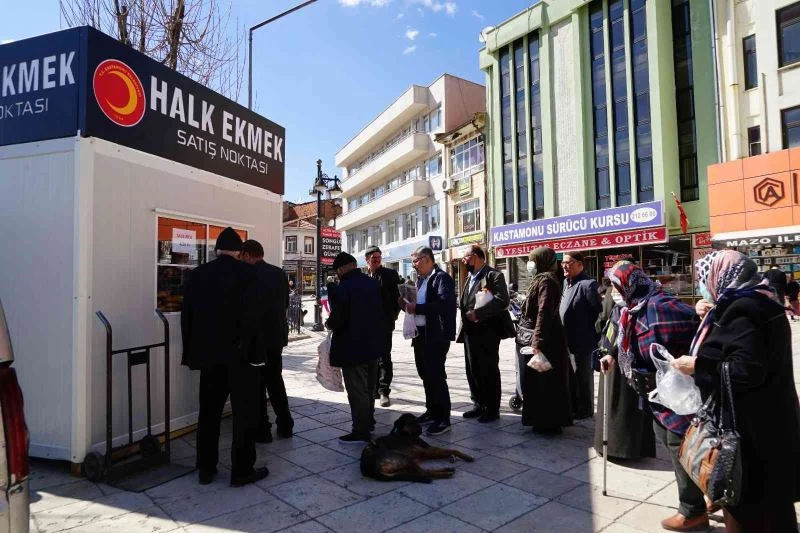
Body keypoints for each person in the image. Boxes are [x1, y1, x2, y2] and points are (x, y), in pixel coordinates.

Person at [672, 250, 800, 532]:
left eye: (705, 278)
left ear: (723, 276)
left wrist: (698, 365)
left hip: (752, 432)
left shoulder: (745, 309)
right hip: (770, 422)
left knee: (751, 511)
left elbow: (745, 370)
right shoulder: (761, 300)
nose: (702, 285)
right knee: (774, 510)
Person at [598, 261, 708, 531]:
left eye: (615, 286)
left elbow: (693, 323)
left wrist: (698, 312)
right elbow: (622, 336)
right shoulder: (631, 307)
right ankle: (705, 495)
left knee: (679, 444)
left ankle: (693, 510)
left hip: (675, 390)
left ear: (628, 284)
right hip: (654, 391)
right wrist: (612, 354)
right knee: (673, 442)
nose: (612, 291)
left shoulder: (659, 305)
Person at [180, 227, 268, 486]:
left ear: (215, 251)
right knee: (244, 416)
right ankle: (241, 470)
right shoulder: (249, 274)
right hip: (242, 360)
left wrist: (192, 354)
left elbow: (189, 319)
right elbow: (256, 319)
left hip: (210, 359)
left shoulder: (197, 275)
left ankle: (206, 469)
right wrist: (257, 354)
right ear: (240, 252)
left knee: (208, 414)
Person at [325, 252, 386, 444]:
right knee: (369, 388)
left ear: (342, 269)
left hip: (353, 347)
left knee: (357, 390)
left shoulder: (345, 287)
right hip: (374, 346)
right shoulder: (372, 282)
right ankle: (369, 422)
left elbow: (339, 318)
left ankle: (361, 429)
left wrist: (329, 323)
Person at [592, 285, 656, 459]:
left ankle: (623, 448)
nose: (614, 287)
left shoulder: (640, 300)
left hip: (626, 358)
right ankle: (616, 446)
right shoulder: (636, 297)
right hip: (616, 355)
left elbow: (603, 319)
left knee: (625, 402)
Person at [399, 246, 457, 436]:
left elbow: (443, 305)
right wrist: (406, 305)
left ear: (427, 259)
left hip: (436, 335)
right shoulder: (420, 280)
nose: (414, 265)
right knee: (425, 374)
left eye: (415, 261)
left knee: (436, 375)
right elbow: (416, 305)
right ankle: (432, 411)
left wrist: (418, 308)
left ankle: (443, 418)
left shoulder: (442, 278)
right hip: (420, 334)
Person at [241, 239, 294, 442]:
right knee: (275, 381)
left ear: (247, 254)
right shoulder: (279, 273)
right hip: (276, 337)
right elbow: (286, 304)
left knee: (257, 385)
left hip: (256, 339)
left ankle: (262, 429)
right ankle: (286, 424)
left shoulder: (248, 274)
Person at [518, 247, 573, 433]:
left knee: (547, 383)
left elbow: (544, 312)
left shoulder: (547, 282)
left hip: (548, 341)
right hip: (543, 338)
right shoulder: (540, 279)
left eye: (533, 260)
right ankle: (541, 420)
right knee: (538, 382)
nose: (530, 263)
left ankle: (550, 423)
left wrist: (537, 342)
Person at [456, 245, 511, 422]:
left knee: (488, 370)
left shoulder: (494, 275)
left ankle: (492, 409)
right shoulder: (469, 277)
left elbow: (503, 300)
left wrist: (478, 314)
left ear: (477, 256)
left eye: (466, 257)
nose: (464, 261)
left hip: (488, 332)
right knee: (473, 370)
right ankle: (478, 404)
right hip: (470, 332)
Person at [559, 251, 602, 419]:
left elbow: (599, 314)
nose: (564, 265)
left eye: (569, 262)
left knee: (583, 378)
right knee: (572, 377)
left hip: (583, 342)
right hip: (567, 340)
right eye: (563, 262)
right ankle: (574, 406)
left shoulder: (588, 284)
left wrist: (594, 338)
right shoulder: (565, 283)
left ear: (580, 264)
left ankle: (585, 410)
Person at [364, 245, 401, 408]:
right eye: (374, 258)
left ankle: (384, 391)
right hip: (368, 326)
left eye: (379, 258)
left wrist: (392, 316)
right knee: (372, 357)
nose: (377, 260)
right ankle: (374, 389)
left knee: (384, 357)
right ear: (367, 260)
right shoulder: (364, 277)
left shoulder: (390, 275)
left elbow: (398, 298)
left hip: (384, 323)